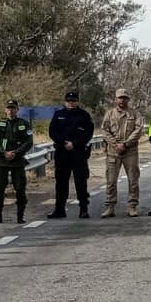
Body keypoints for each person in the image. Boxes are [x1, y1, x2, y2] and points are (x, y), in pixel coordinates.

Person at [49, 90, 95, 218]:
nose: (71, 103)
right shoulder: (58, 114)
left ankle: (83, 209)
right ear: (65, 102)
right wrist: (64, 143)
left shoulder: (84, 115)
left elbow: (88, 133)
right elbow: (52, 132)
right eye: (68, 101)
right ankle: (59, 209)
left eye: (73, 101)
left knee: (81, 182)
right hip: (62, 152)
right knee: (61, 182)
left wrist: (74, 143)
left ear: (77, 102)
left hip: (78, 153)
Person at [101, 88, 143, 217]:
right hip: (113, 152)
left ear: (128, 99)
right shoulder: (109, 114)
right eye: (120, 98)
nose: (122, 100)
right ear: (116, 99)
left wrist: (125, 144)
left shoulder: (135, 114)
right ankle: (110, 206)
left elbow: (138, 131)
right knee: (111, 181)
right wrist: (115, 144)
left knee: (133, 180)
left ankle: (132, 206)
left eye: (124, 98)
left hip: (130, 151)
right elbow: (105, 130)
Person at [0, 98, 34, 224]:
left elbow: (29, 142)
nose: (11, 111)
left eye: (13, 108)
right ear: (5, 110)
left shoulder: (24, 124)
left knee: (20, 189)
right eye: (9, 108)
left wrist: (16, 152)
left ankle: (20, 216)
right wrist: (3, 152)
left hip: (18, 160)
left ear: (17, 110)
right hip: (2, 160)